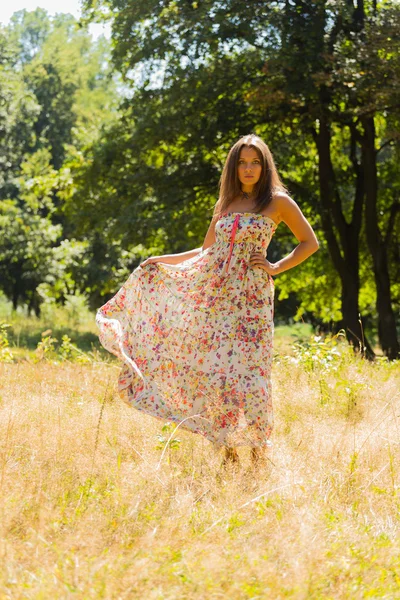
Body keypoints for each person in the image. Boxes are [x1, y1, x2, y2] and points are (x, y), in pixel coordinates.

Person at [96, 133, 319, 469]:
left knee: (254, 375)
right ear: (234, 166)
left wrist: (275, 267)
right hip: (218, 298)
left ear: (264, 165)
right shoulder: (226, 204)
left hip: (253, 300)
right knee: (219, 373)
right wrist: (161, 260)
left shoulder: (278, 202)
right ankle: (228, 452)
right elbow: (206, 253)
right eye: (242, 162)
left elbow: (309, 242)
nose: (248, 168)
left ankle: (259, 452)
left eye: (255, 162)